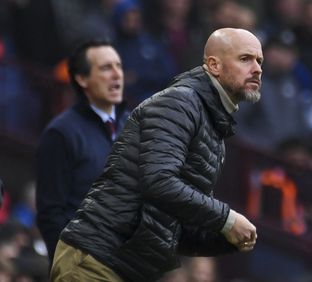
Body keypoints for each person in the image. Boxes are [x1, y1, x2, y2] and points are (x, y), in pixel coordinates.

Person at [50, 27, 261, 281]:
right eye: (245, 59)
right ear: (214, 65)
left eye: (259, 61)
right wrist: (226, 219)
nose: (257, 68)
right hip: (96, 260)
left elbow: (173, 226)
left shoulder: (212, 128)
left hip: (123, 268)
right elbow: (159, 181)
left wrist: (227, 238)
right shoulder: (180, 104)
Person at [35, 38, 129, 263]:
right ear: (82, 78)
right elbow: (51, 214)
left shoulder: (134, 126)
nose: (117, 74)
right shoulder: (60, 134)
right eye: (106, 68)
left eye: (119, 66)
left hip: (128, 265)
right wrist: (71, 266)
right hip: (82, 265)